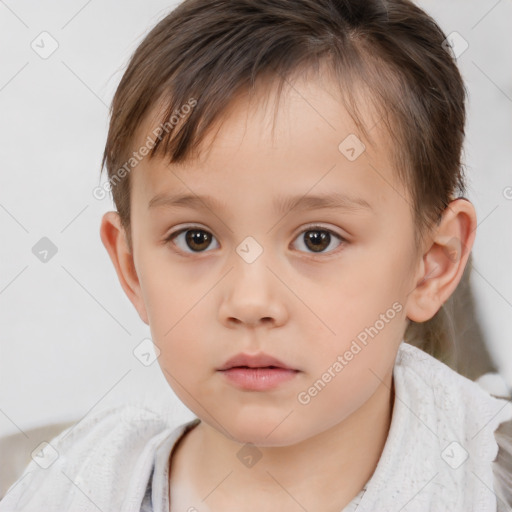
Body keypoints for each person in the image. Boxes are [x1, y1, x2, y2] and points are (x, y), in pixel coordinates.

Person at [2, 0, 511, 510]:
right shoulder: (67, 490)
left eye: (318, 239)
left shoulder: (484, 487)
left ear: (432, 263)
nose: (250, 301)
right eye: (195, 238)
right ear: (132, 267)